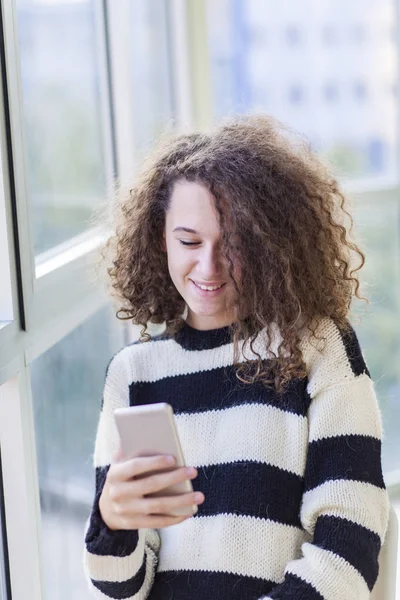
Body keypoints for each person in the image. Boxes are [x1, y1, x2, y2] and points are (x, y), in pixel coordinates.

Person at [83, 115, 389, 600]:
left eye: (234, 245)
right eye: (188, 241)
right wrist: (113, 522)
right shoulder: (133, 374)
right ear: (158, 237)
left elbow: (351, 546)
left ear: (272, 245)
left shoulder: (320, 348)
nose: (208, 267)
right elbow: (122, 586)